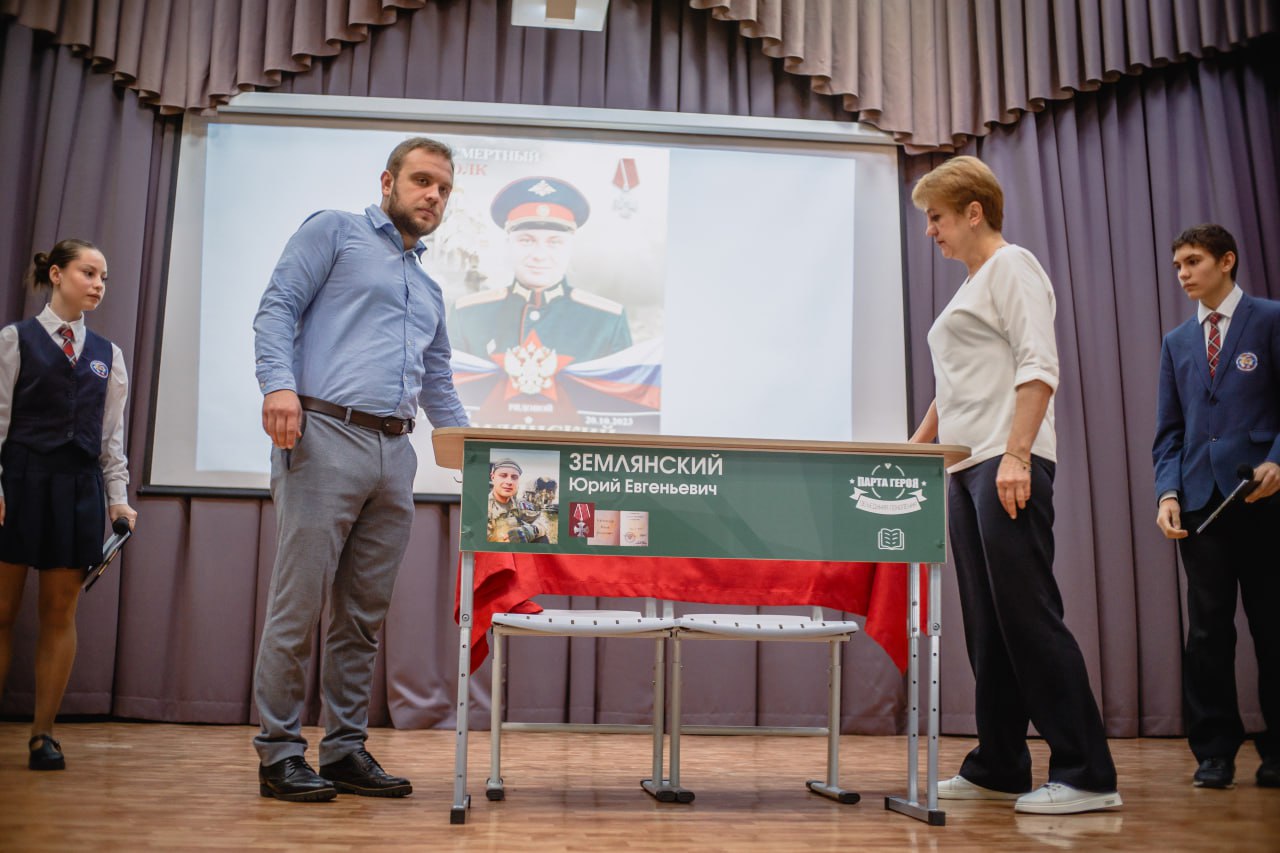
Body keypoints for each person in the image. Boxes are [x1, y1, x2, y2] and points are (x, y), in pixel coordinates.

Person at [251, 137, 469, 802]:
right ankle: (279, 753)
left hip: (394, 454)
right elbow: (278, 306)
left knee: (362, 618)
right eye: (422, 181)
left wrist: (478, 455)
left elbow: (438, 380)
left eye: (443, 188)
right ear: (388, 182)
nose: (432, 196)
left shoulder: (428, 288)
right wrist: (277, 384)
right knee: (298, 607)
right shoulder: (335, 232)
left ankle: (344, 749)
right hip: (324, 435)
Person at [907, 156, 1121, 815]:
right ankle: (999, 765)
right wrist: (914, 449)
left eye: (936, 218)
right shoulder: (972, 286)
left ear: (974, 212)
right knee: (988, 625)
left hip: (1005, 461)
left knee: (1028, 617)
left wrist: (1018, 455)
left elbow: (1038, 366)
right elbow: (955, 388)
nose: (930, 231)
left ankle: (1087, 774)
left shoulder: (1013, 266)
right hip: (964, 465)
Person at [0, 238, 137, 771]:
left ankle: (43, 735)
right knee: (2, 614)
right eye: (88, 272)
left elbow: (111, 441)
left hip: (78, 490)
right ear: (56, 274)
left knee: (59, 614)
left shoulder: (109, 355)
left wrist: (118, 500)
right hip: (19, 485)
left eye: (104, 277)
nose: (99, 284)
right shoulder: (14, 340)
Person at [1152, 223, 1280, 790]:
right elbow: (1169, 432)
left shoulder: (1270, 319)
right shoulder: (1177, 342)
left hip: (1263, 497)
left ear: (1227, 261)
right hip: (1201, 505)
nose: (1183, 273)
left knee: (1272, 626)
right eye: (1178, 264)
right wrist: (1168, 493)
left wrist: (1278, 460)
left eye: (1194, 261)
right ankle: (1214, 752)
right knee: (1207, 633)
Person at [448, 176, 632, 363]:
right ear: (508, 245)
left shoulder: (608, 321)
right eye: (526, 241)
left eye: (554, 242)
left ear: (571, 248)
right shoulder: (467, 315)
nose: (539, 255)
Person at [486, 458, 554, 544]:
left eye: (514, 477)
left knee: (541, 538)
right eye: (503, 475)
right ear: (492, 477)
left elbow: (544, 521)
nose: (509, 481)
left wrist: (530, 531)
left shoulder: (519, 504)